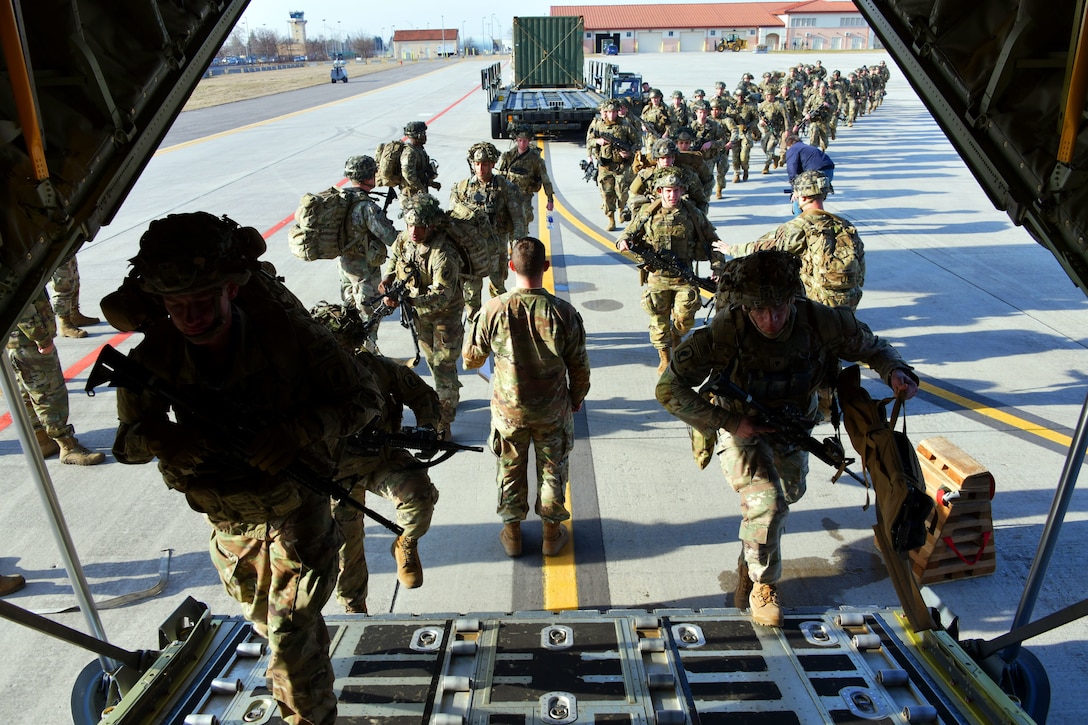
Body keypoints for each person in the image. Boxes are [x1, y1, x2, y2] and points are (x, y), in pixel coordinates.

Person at [110, 211, 385, 725]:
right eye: (175, 306)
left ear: (232, 291)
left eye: (201, 301)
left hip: (295, 512)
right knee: (268, 625)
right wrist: (163, 437)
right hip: (227, 520)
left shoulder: (290, 339)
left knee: (290, 639)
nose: (189, 317)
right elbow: (125, 444)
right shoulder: (152, 359)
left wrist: (296, 433)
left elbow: (363, 396)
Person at [656, 250, 918, 628]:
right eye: (759, 311)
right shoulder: (724, 333)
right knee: (769, 504)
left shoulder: (820, 322)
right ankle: (763, 584)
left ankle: (753, 551)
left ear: (793, 298)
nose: (771, 320)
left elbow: (874, 347)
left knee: (790, 494)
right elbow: (668, 388)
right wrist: (728, 420)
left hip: (795, 423)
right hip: (742, 424)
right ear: (744, 306)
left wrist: (895, 372)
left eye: (779, 308)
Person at [463, 237, 590, 558]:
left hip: (509, 412)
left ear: (510, 267)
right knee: (553, 469)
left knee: (510, 469)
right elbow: (579, 367)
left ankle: (513, 534)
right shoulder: (564, 313)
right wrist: (575, 398)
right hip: (552, 410)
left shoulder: (493, 309)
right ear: (545, 268)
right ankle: (550, 535)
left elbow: (471, 359)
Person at [310, 302, 441, 610]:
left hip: (379, 459)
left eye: (351, 347)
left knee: (419, 494)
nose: (348, 356)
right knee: (347, 555)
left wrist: (427, 427)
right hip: (334, 476)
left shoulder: (376, 367)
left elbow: (423, 395)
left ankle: (405, 543)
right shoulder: (303, 379)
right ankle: (356, 612)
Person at [615, 172, 722, 374]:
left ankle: (676, 336)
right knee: (658, 319)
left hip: (684, 276)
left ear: (682, 191)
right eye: (668, 191)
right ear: (660, 192)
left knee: (686, 315)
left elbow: (713, 241)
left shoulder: (693, 214)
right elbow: (627, 233)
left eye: (676, 191)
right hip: (658, 276)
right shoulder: (648, 212)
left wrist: (717, 267)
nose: (672, 195)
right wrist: (623, 241)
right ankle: (664, 358)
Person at [380, 193, 464, 439]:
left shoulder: (442, 252)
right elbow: (395, 256)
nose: (414, 231)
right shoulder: (406, 239)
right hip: (421, 314)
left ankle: (443, 424)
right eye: (410, 225)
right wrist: (387, 279)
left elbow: (442, 295)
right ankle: (450, 397)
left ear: (431, 225)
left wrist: (408, 300)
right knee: (433, 363)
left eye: (419, 226)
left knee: (443, 365)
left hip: (445, 316)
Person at [722, 170, 864, 310]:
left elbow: (761, 249)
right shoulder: (845, 225)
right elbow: (860, 266)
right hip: (850, 300)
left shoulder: (798, 227)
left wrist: (730, 249)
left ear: (802, 197)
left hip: (818, 304)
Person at [7, 289, 105, 465]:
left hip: (15, 338)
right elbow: (17, 296)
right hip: (27, 338)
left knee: (26, 390)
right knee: (49, 392)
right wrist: (41, 336)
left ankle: (42, 440)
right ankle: (67, 446)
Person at [450, 142, 527, 320]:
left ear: (492, 164)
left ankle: (498, 323)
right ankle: (475, 327)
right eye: (477, 164)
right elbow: (452, 222)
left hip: (496, 248)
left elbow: (518, 220)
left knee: (498, 289)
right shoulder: (461, 189)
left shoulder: (506, 188)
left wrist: (517, 248)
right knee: (471, 291)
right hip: (471, 251)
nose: (480, 168)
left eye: (485, 164)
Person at [338, 155, 398, 350]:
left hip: (345, 267)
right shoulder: (367, 207)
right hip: (365, 272)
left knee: (350, 313)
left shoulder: (342, 200)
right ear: (367, 176)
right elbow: (390, 237)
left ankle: (352, 351)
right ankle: (367, 357)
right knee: (368, 318)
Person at [586, 99, 641, 231]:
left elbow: (638, 142)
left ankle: (622, 209)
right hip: (605, 166)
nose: (611, 115)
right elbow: (589, 141)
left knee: (622, 194)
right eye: (609, 112)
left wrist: (629, 152)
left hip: (622, 166)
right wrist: (598, 142)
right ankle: (611, 219)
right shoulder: (598, 125)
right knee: (606, 195)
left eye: (614, 112)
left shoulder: (625, 125)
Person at [497, 125, 555, 225]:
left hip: (525, 197)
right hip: (508, 197)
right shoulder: (507, 156)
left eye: (525, 141)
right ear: (516, 140)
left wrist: (550, 200)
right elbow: (499, 178)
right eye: (519, 140)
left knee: (524, 222)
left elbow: (546, 180)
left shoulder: (536, 160)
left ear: (529, 141)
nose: (522, 143)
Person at [782, 132, 835, 215]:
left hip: (815, 173)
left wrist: (795, 189)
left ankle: (799, 220)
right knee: (817, 197)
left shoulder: (793, 149)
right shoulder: (806, 147)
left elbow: (792, 169)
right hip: (829, 170)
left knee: (800, 197)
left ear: (789, 144)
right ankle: (819, 217)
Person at [52, 256, 101, 338]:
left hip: (65, 249)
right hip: (54, 251)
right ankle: (65, 324)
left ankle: (74, 315)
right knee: (63, 284)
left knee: (73, 278)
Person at [400, 120, 441, 197]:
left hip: (418, 193)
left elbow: (420, 173)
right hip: (411, 195)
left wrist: (430, 183)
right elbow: (409, 175)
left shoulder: (419, 149)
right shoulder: (410, 153)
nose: (425, 136)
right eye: (423, 134)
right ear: (417, 135)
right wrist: (421, 188)